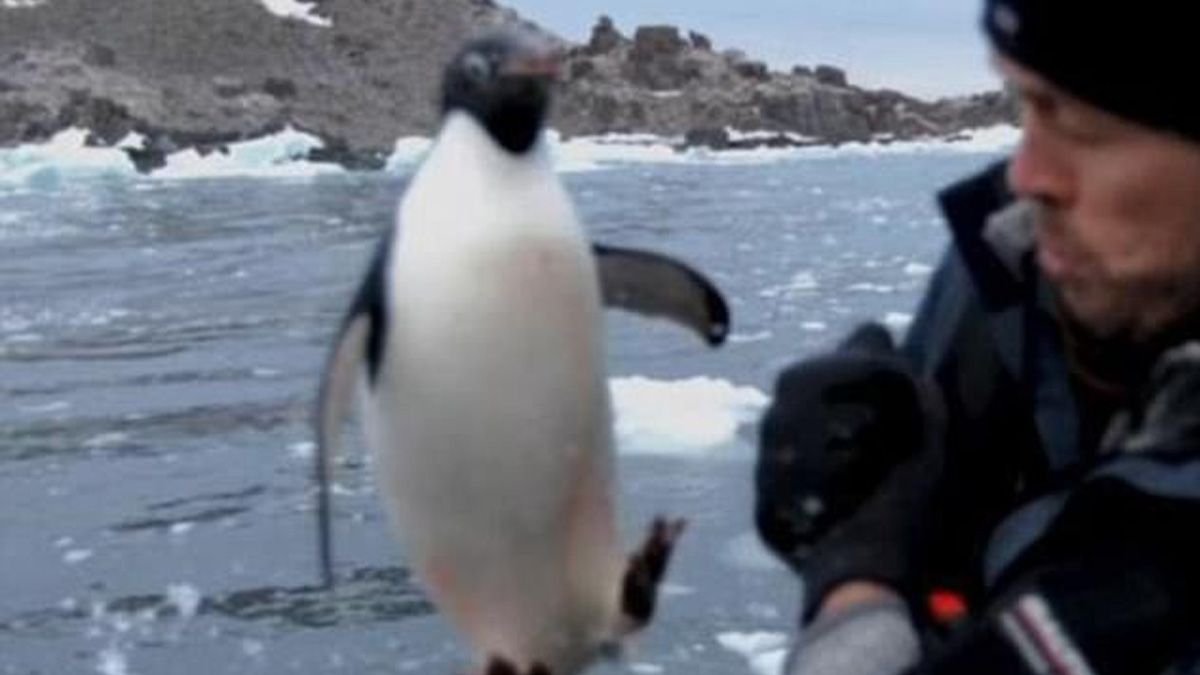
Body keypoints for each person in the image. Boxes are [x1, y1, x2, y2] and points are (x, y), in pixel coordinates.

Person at [754, 1, 1200, 673]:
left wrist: (854, 600)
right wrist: (868, 528)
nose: (1028, 177)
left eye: (1082, 127)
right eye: (1027, 105)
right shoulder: (1013, 265)